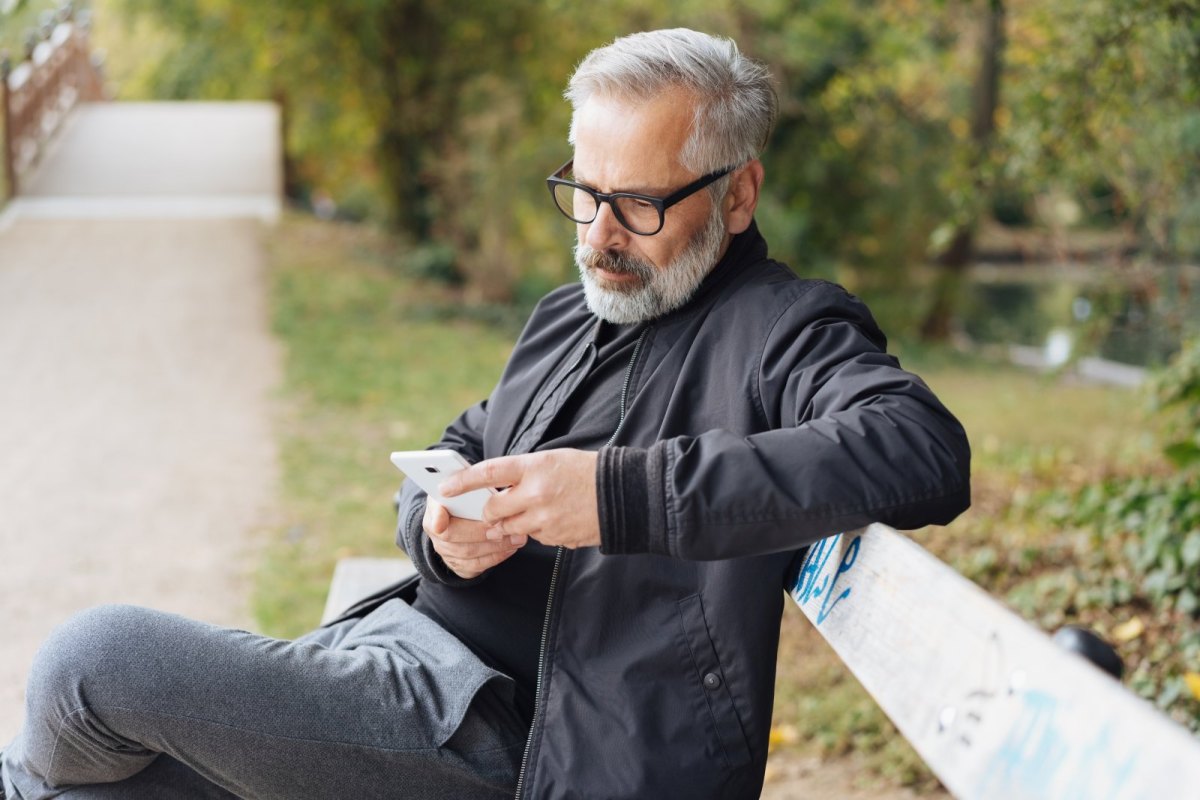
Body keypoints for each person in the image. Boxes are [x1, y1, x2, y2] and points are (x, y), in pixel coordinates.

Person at [0, 28, 970, 800]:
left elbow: (919, 447)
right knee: (101, 782)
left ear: (739, 192)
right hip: (396, 662)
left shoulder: (781, 327)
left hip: (526, 739)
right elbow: (468, 439)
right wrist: (436, 525)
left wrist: (610, 494)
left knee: (93, 662)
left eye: (636, 204)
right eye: (582, 194)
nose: (598, 238)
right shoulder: (570, 312)